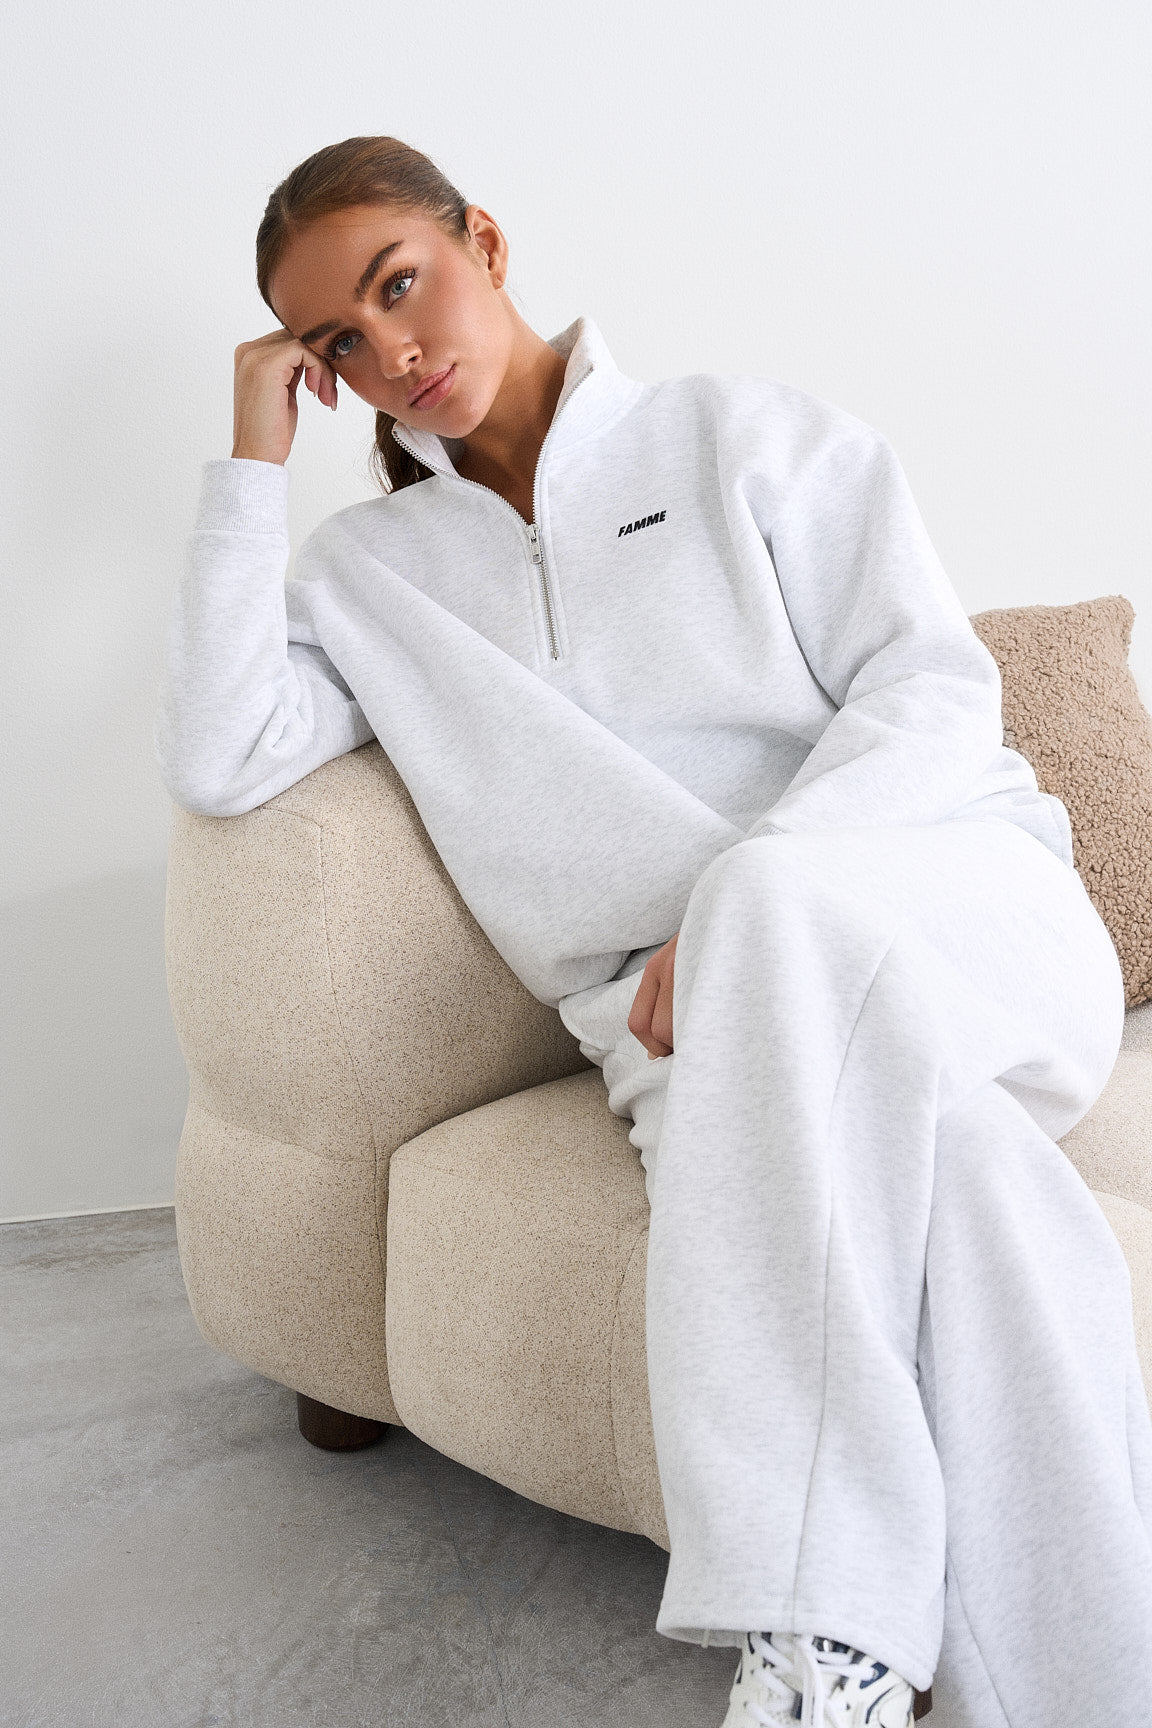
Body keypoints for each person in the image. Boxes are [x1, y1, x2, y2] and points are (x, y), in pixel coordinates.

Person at [153, 134, 1152, 1726]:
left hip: (959, 913)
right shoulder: (367, 580)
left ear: (485, 241)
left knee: (765, 903)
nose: (389, 352)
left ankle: (803, 1621)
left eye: (400, 285)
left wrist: (761, 902)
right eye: (337, 338)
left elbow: (933, 690)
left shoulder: (742, 436)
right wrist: (248, 469)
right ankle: (1008, 1678)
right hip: (688, 1040)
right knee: (978, 1199)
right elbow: (223, 752)